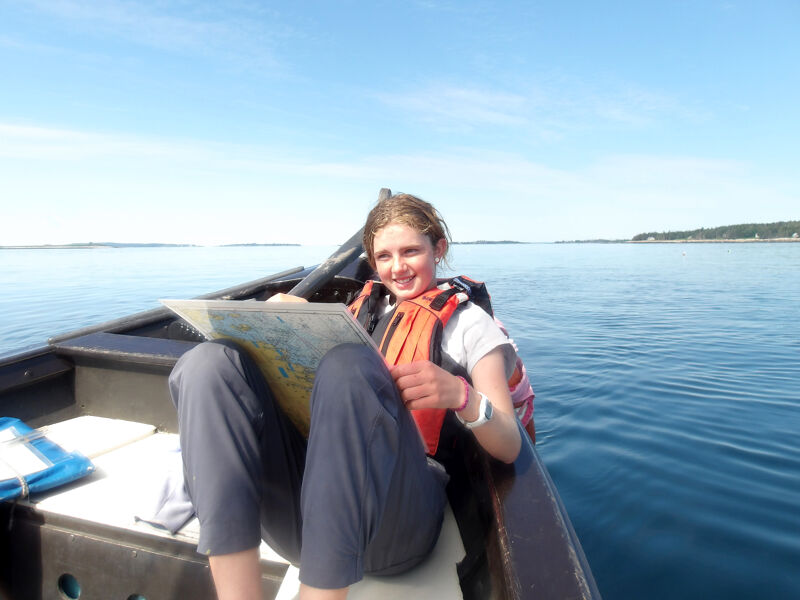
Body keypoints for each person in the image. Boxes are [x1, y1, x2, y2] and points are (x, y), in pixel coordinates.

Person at [168, 193, 522, 600]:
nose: (398, 267)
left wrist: (461, 395)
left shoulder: (470, 326)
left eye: (411, 251)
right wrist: (279, 327)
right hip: (311, 525)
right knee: (208, 363)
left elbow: (510, 445)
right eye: (384, 256)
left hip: (398, 525)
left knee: (349, 366)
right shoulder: (359, 310)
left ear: (438, 249)